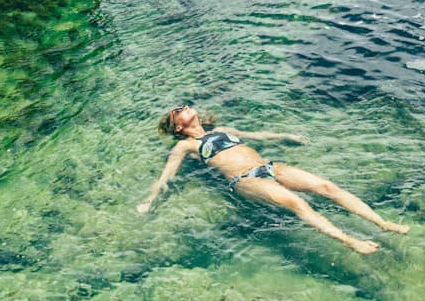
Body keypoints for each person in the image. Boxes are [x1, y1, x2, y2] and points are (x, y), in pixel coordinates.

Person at [137, 105, 409, 254]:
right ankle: (350, 242)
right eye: (177, 111)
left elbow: (257, 135)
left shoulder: (221, 130)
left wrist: (286, 136)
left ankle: (382, 223)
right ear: (178, 127)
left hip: (269, 166)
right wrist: (150, 202)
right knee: (297, 204)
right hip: (245, 181)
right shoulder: (185, 147)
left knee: (327, 187)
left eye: (183, 106)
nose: (183, 107)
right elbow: (165, 178)